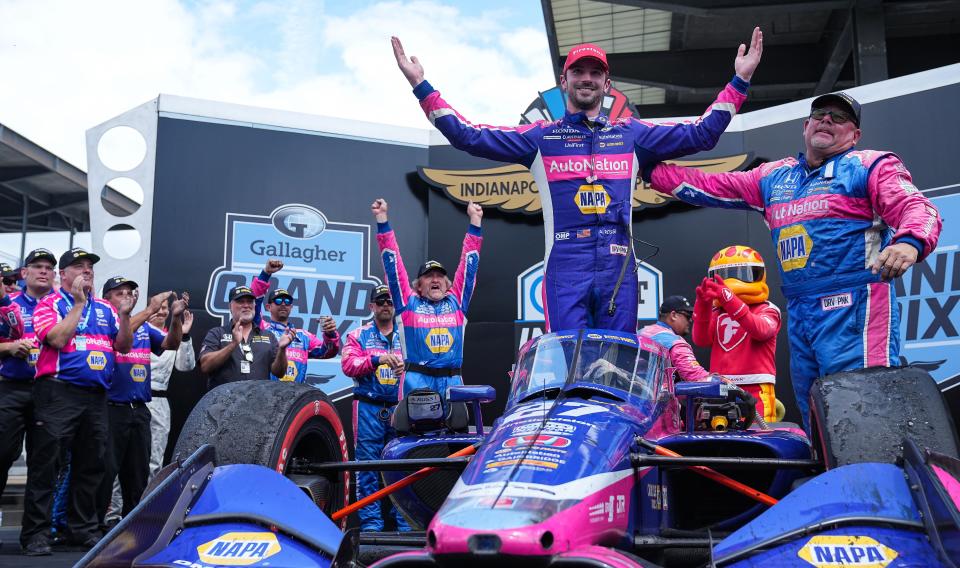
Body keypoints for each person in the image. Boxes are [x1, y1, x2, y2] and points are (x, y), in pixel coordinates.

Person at [391, 30, 763, 333]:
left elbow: (702, 134)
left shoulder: (633, 134)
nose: (587, 79)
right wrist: (422, 87)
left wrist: (740, 80)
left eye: (595, 73)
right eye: (579, 72)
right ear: (563, 80)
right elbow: (468, 136)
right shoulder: (540, 138)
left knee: (615, 366)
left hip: (619, 263)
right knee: (569, 360)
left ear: (607, 82)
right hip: (565, 263)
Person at [643, 92, 943, 430]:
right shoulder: (774, 178)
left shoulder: (869, 165)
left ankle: (877, 481)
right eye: (820, 113)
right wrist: (649, 170)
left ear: (854, 135)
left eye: (839, 117)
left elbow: (916, 207)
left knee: (865, 409)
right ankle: (828, 480)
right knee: (815, 412)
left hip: (856, 305)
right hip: (802, 310)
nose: (827, 119)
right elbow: (711, 184)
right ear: (806, 126)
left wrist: (910, 242)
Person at [21, 248, 134, 556]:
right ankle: (36, 533)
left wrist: (124, 316)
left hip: (97, 396)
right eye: (79, 266)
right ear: (64, 275)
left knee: (92, 465)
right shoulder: (51, 303)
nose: (87, 271)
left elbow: (123, 346)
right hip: (58, 392)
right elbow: (55, 339)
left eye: (90, 267)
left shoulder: (105, 308)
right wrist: (78, 304)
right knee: (47, 465)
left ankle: (81, 530)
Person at [96, 278, 186, 527]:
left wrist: (176, 318)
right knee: (106, 472)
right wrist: (149, 310)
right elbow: (118, 339)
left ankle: (134, 525)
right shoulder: (103, 322)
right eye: (118, 293)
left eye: (129, 292)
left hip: (139, 410)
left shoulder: (145, 328)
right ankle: (95, 526)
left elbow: (172, 343)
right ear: (107, 299)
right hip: (111, 408)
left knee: (137, 474)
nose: (126, 296)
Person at [372, 198, 481, 400]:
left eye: (440, 276)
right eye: (429, 276)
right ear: (418, 286)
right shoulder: (408, 303)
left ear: (447, 284)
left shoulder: (456, 302)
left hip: (453, 383)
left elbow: (469, 266)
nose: (435, 280)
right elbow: (393, 266)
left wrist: (475, 222)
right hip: (417, 382)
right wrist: (382, 220)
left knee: (457, 431)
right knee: (417, 432)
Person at [341, 285, 410, 532]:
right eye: (380, 302)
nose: (385, 305)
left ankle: (405, 526)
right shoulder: (358, 335)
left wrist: (408, 369)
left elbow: (425, 365)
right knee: (367, 468)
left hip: (401, 409)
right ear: (371, 306)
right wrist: (376, 359)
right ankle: (371, 528)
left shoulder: (407, 334)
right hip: (369, 408)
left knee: (402, 467)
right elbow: (348, 365)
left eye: (389, 301)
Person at [693, 246, 781, 422]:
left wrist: (729, 299)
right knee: (724, 441)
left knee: (758, 440)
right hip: (721, 389)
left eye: (743, 273)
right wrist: (703, 306)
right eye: (726, 274)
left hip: (756, 388)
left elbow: (760, 330)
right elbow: (701, 340)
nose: (733, 280)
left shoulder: (768, 309)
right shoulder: (717, 312)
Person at [0, 249, 55, 505]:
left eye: (48, 267)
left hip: (51, 390)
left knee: (44, 462)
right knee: (3, 453)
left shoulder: (63, 306)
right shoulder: (8, 305)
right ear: (24, 273)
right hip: (13, 387)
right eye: (37, 266)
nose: (43, 271)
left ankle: (36, 534)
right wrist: (10, 348)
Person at [251, 259, 341, 382]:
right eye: (278, 301)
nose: (283, 304)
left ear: (291, 307)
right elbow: (254, 301)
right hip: (267, 395)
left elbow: (327, 353)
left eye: (287, 302)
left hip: (297, 396)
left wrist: (330, 334)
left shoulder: (303, 336)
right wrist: (265, 274)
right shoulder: (261, 328)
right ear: (268, 307)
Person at [198, 285, 292, 390]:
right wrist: (233, 345)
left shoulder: (268, 336)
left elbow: (279, 373)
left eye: (250, 301)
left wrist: (282, 350)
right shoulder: (217, 333)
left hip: (258, 402)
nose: (246, 305)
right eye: (241, 301)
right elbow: (205, 366)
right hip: (223, 403)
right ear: (230, 306)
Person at [146, 293, 195, 477]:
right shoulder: (136, 331)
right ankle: (117, 506)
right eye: (157, 307)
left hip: (159, 402)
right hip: (132, 401)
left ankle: (147, 504)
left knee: (154, 460)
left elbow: (185, 366)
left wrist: (184, 335)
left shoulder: (172, 338)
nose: (161, 311)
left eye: (165, 308)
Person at [639, 295, 711, 382]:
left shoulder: (641, 332)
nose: (691, 320)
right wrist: (726, 384)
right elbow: (697, 377)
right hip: (652, 394)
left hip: (630, 391)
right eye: (688, 316)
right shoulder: (673, 342)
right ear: (673, 315)